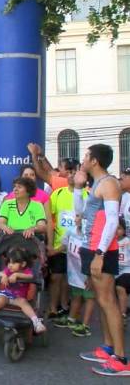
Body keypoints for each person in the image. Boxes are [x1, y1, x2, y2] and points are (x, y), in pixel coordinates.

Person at [73, 144, 129, 375]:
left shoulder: (109, 184)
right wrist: (77, 187)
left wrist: (100, 253)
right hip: (91, 247)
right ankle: (108, 348)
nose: (83, 159)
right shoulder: (95, 183)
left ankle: (122, 359)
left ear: (94, 160)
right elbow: (81, 214)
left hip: (101, 250)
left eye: (86, 156)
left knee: (108, 302)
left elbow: (112, 222)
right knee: (101, 299)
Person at [0, 247, 47, 334]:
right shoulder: (8, 270)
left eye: (13, 263)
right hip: (6, 294)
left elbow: (30, 277)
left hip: (18, 297)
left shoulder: (26, 271)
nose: (10, 265)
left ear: (23, 264)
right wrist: (4, 276)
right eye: (9, 262)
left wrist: (17, 275)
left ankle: (36, 322)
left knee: (23, 302)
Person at [47, 160, 81, 319]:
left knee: (72, 278)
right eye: (69, 173)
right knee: (56, 277)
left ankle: (66, 305)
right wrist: (50, 243)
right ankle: (53, 307)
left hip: (78, 245)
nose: (72, 176)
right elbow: (49, 220)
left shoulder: (86, 195)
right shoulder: (58, 193)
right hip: (58, 244)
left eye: (75, 172)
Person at [54, 215, 96, 337]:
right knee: (76, 295)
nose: (77, 219)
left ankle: (85, 325)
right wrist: (52, 251)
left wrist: (91, 275)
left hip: (88, 273)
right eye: (77, 216)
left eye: (82, 217)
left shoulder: (91, 235)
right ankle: (71, 319)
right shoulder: (71, 230)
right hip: (75, 271)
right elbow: (64, 245)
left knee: (89, 297)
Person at [116, 221, 130, 323]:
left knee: (120, 288)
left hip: (127, 270)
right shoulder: (108, 242)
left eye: (119, 228)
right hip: (113, 272)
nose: (116, 231)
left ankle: (122, 315)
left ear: (124, 230)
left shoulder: (127, 241)